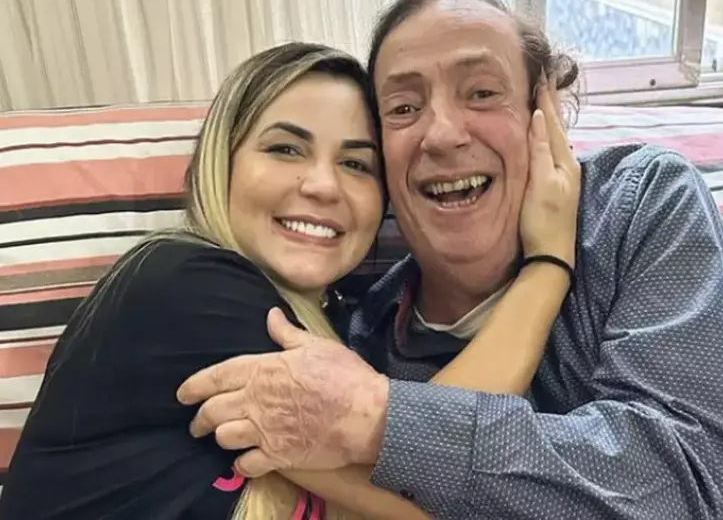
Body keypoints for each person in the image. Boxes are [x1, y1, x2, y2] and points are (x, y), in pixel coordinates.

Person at [176, 0, 723, 520]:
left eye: (481, 93)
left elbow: (676, 488)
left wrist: (378, 419)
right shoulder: (362, 338)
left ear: (544, 111)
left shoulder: (642, 207)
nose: (443, 134)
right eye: (403, 107)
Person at [0, 40, 580, 519]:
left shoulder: (350, 328)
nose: (323, 186)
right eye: (285, 149)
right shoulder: (182, 287)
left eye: (356, 164)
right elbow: (433, 479)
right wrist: (549, 262)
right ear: (223, 161)